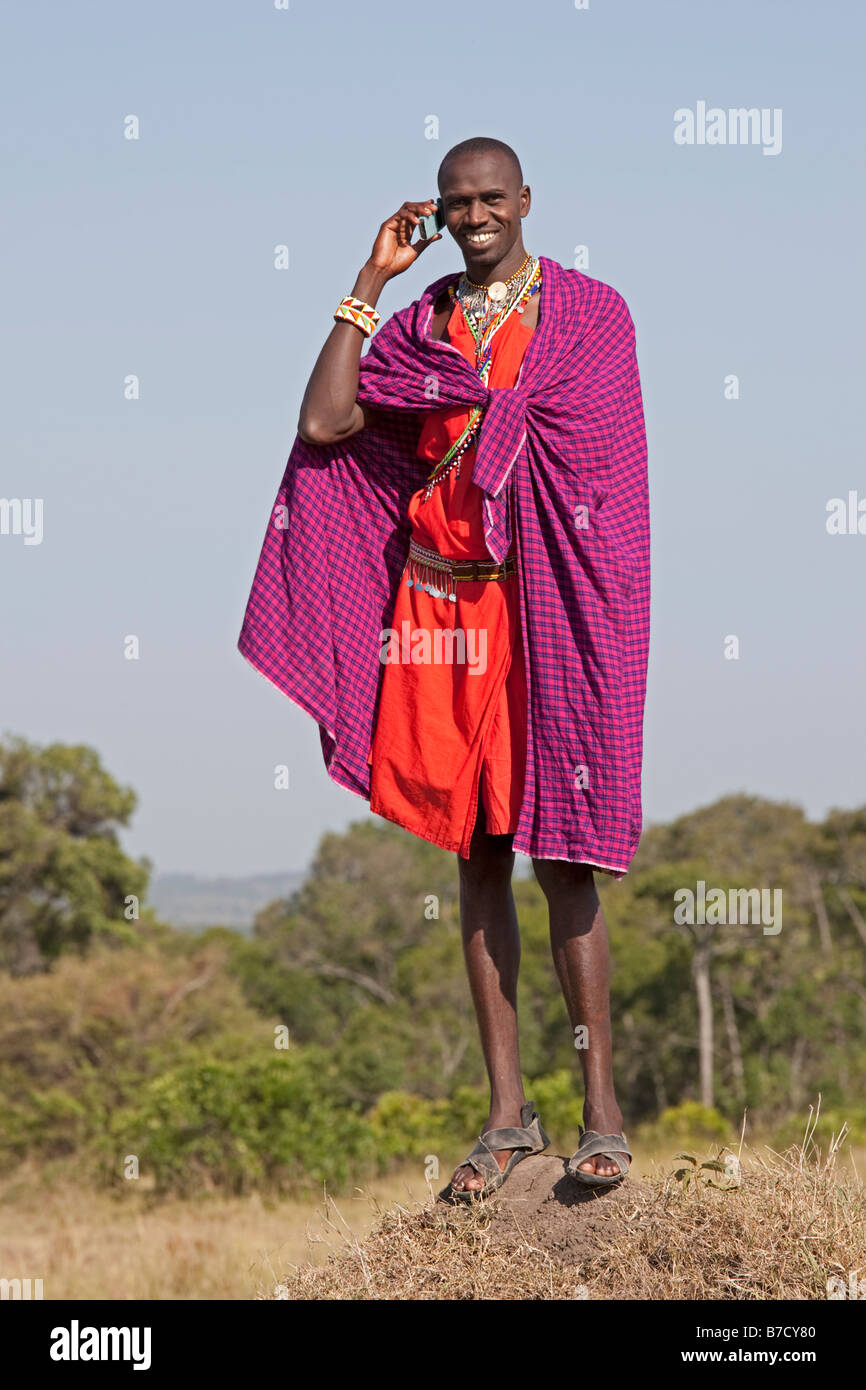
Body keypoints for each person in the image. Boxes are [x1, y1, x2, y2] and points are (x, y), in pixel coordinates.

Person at [239, 137, 650, 1197]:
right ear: (439, 209)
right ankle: (506, 1117)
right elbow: (326, 421)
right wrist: (369, 279)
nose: (473, 216)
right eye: (455, 202)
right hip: (441, 608)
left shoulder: (589, 314)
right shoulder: (418, 321)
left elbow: (605, 476)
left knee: (565, 859)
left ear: (524, 200)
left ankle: (600, 1112)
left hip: (545, 603)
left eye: (489, 199)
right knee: (476, 858)